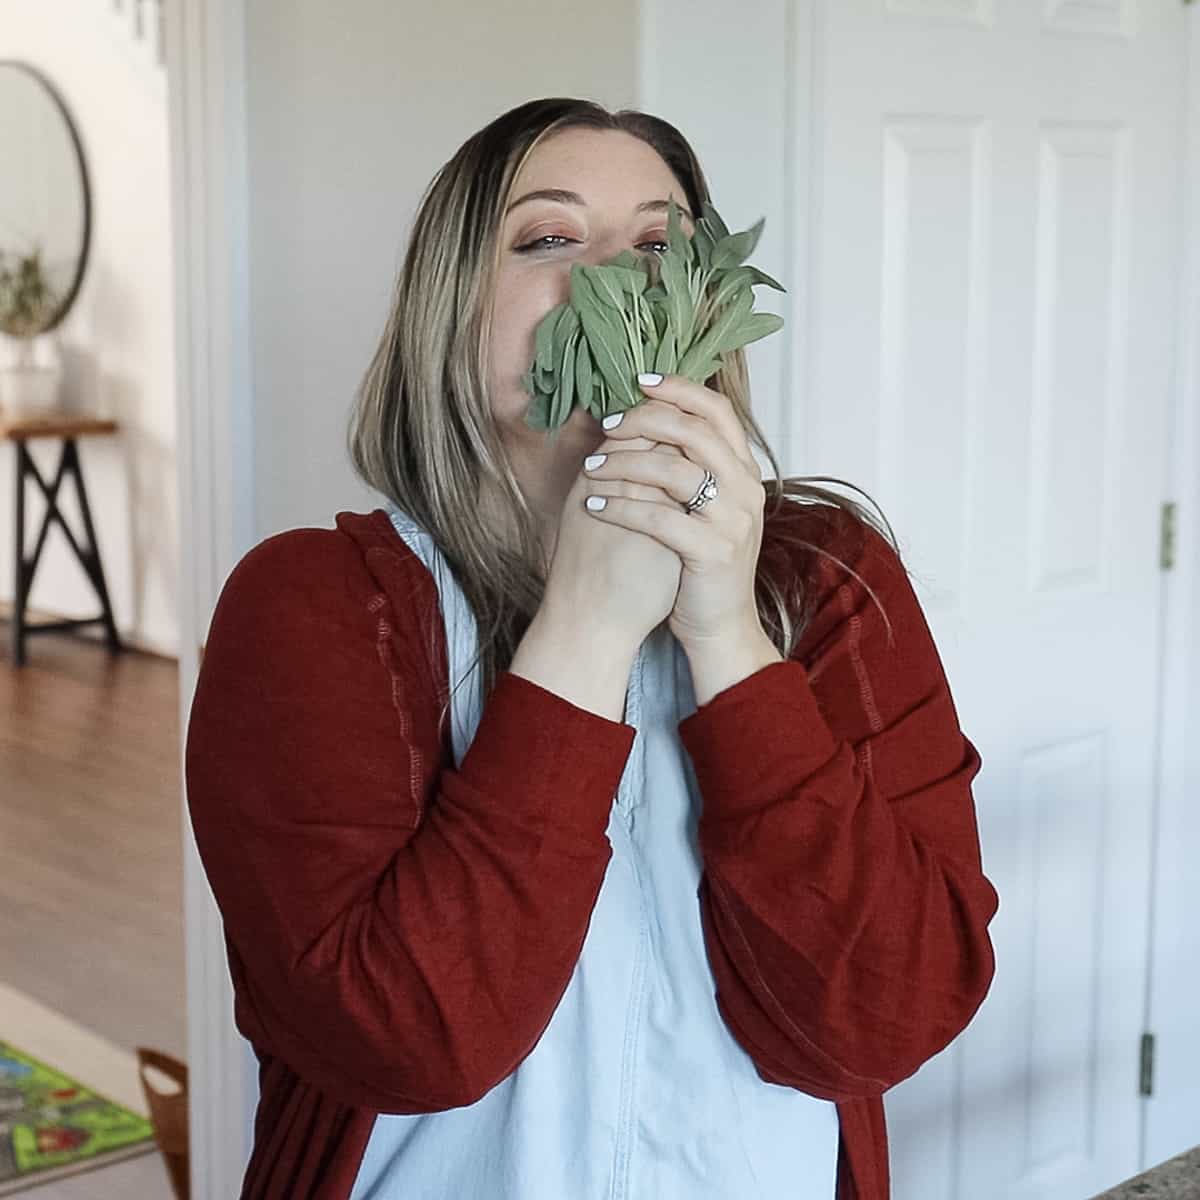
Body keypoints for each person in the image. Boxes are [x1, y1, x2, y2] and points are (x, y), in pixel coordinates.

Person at [184, 96, 999, 1200]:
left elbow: (884, 1020)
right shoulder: (314, 606)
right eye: (550, 239)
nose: (618, 282)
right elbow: (411, 1044)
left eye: (659, 245)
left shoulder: (829, 579)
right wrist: (586, 629)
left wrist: (726, 637)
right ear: (450, 310)